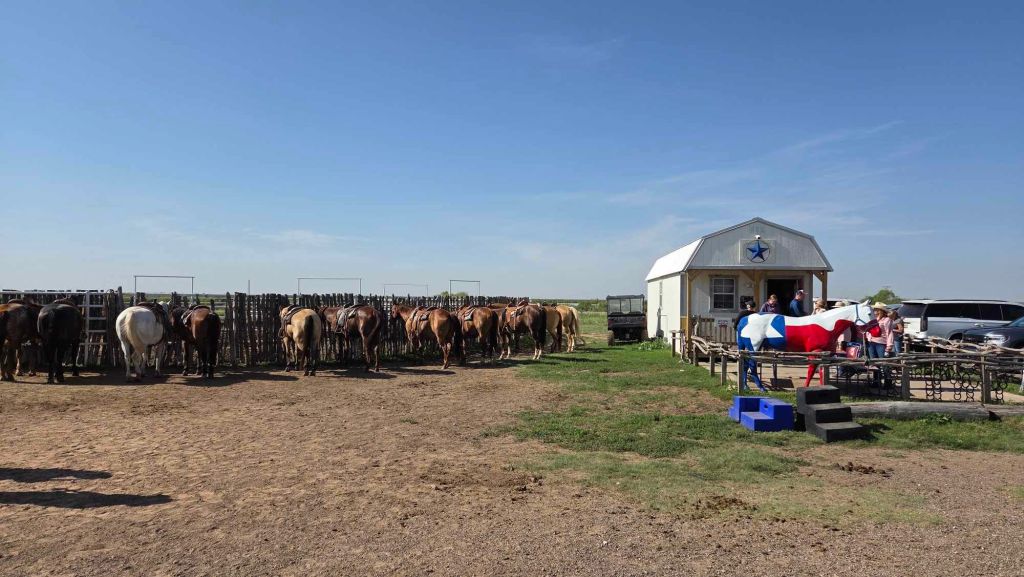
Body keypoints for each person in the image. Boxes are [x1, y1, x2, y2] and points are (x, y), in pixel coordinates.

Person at [866, 302, 894, 387]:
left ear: (882, 311)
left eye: (878, 310)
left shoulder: (887, 320)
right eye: (875, 310)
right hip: (871, 342)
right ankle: (876, 381)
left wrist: (889, 347)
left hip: (881, 343)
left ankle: (888, 381)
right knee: (874, 363)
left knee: (883, 363)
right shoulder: (873, 319)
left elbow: (889, 333)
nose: (876, 312)